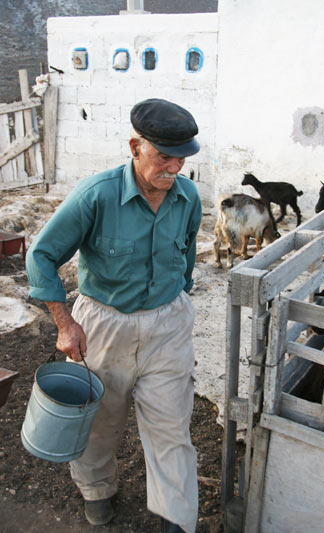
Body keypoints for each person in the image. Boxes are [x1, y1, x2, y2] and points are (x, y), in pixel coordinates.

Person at [26, 98, 202, 533]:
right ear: (135, 147)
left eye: (182, 157)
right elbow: (42, 255)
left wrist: (176, 302)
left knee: (171, 431)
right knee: (99, 426)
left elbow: (188, 255)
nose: (175, 168)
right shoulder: (96, 195)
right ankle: (98, 491)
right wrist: (65, 324)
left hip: (168, 327)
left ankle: (175, 519)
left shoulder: (189, 197)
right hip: (103, 326)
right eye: (164, 156)